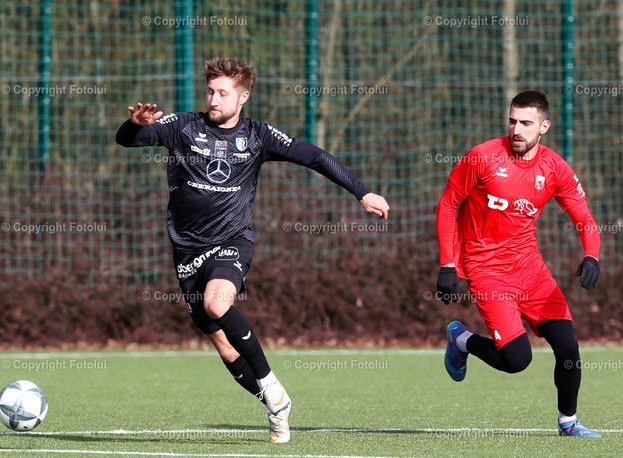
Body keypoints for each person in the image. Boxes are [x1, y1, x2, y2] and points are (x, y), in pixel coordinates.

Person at [116, 57, 389, 443]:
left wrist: (362, 192)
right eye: (210, 91)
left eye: (223, 93)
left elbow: (315, 157)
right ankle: (277, 407)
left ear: (243, 97)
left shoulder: (258, 136)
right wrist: (134, 124)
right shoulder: (182, 126)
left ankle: (270, 383)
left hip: (231, 242)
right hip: (186, 251)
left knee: (217, 303)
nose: (213, 99)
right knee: (226, 349)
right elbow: (126, 140)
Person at [436, 90, 602, 437]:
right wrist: (447, 265)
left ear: (544, 126)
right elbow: (449, 204)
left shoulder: (554, 168)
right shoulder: (482, 157)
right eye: (512, 121)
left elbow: (584, 218)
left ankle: (568, 423)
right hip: (486, 269)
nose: (516, 129)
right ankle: (461, 339)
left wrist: (591, 255)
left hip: (530, 269)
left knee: (568, 347)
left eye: (526, 123)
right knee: (516, 360)